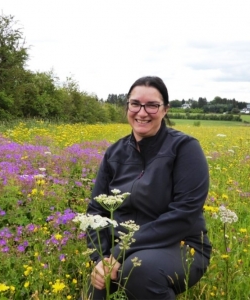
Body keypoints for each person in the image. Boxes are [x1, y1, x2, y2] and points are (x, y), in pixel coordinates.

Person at [84, 76, 212, 300]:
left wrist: (119, 252)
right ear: (127, 107)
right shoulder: (114, 153)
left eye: (152, 105)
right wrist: (100, 259)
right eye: (135, 104)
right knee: (95, 292)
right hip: (119, 251)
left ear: (165, 110)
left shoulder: (185, 148)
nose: (142, 112)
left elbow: (184, 214)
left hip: (180, 245)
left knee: (139, 271)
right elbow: (96, 210)